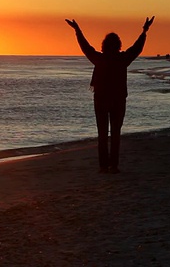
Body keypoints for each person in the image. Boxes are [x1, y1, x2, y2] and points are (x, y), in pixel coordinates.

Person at [65, 16, 154, 173]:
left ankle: (103, 166)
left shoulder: (99, 59)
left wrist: (77, 30)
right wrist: (144, 31)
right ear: (118, 45)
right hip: (118, 99)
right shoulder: (122, 59)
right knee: (115, 133)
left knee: (102, 133)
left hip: (101, 99)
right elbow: (136, 48)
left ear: (104, 45)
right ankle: (113, 166)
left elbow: (85, 47)